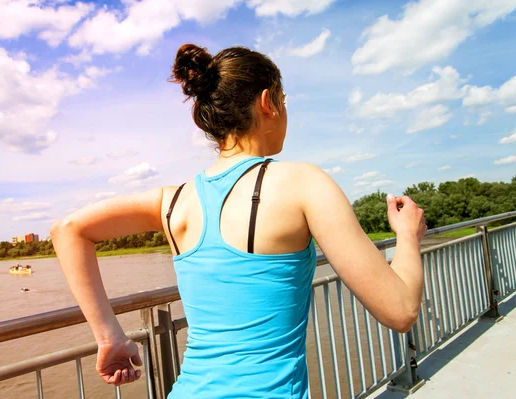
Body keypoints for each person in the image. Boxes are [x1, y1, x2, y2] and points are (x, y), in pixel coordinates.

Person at [51, 44, 427, 398]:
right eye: (284, 100)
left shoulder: (173, 201)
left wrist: (109, 337)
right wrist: (408, 236)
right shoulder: (303, 183)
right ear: (268, 102)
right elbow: (400, 310)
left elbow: (69, 230)